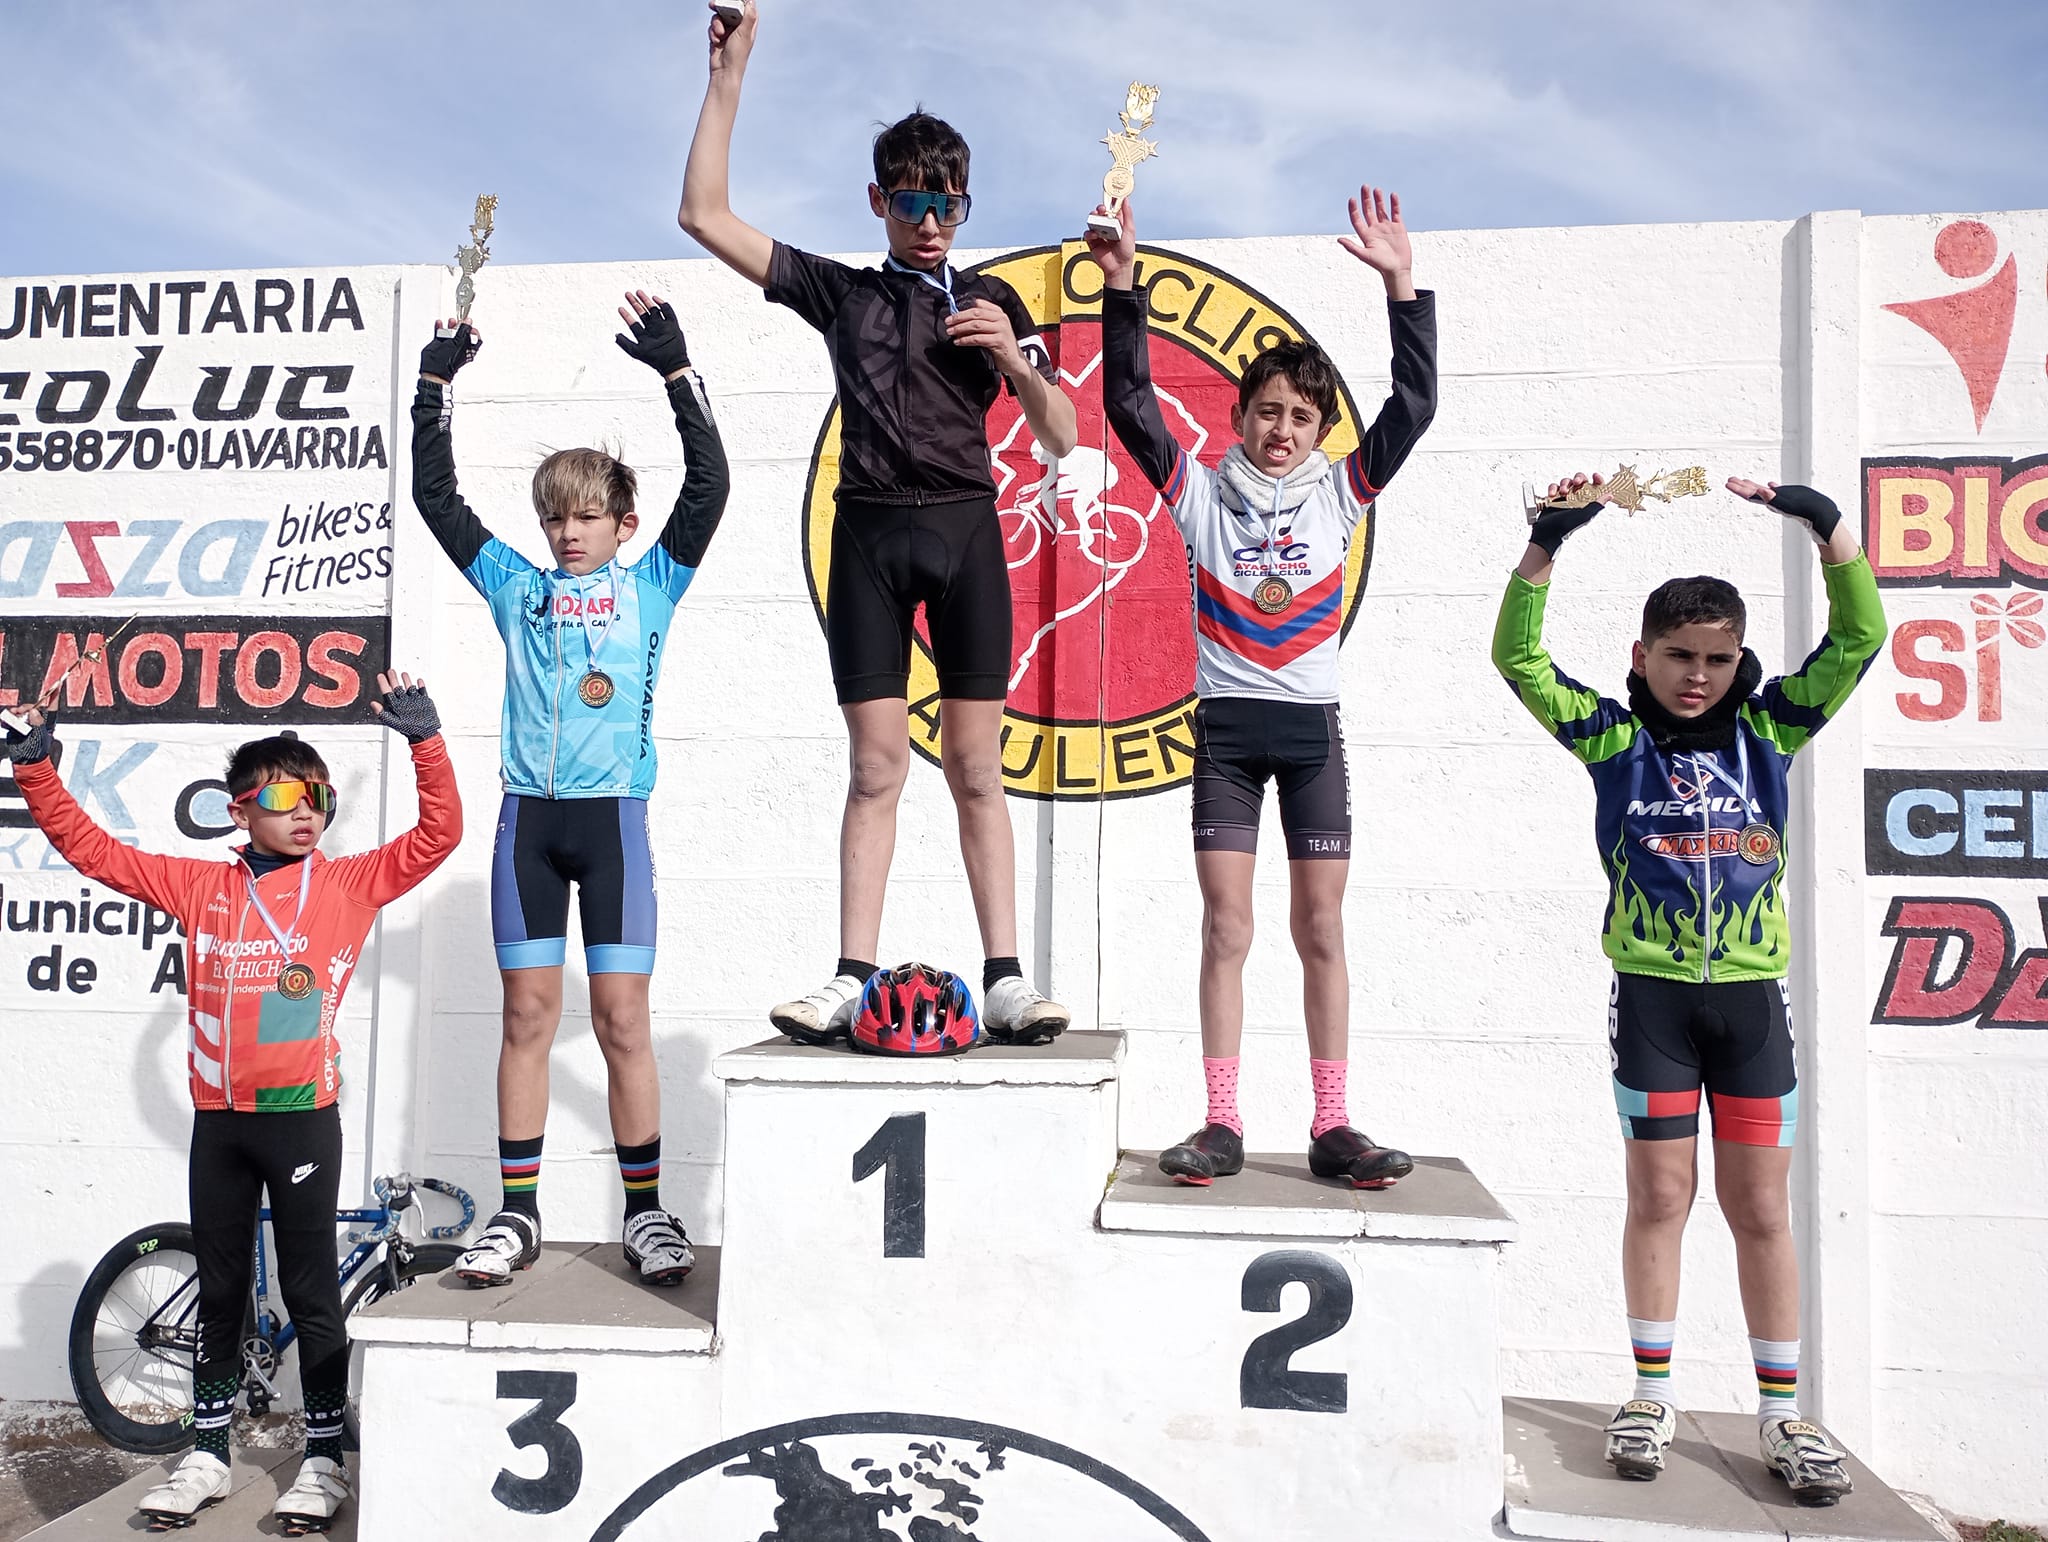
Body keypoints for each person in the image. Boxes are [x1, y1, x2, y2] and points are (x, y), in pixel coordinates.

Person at [677, 0, 1081, 1044]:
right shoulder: (844, 295)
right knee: (875, 769)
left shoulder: (993, 303)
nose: (930, 221)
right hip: (865, 537)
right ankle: (850, 978)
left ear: (964, 204)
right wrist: (727, 78)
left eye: (948, 202)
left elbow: (1064, 434)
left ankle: (1006, 979)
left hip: (965, 532)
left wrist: (1010, 357)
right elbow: (705, 216)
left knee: (978, 768)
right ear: (878, 202)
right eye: (910, 202)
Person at [1491, 472, 1886, 1504]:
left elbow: (1858, 640)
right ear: (1641, 656)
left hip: (1750, 1006)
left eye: (1717, 659)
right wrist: (1545, 547)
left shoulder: (1772, 731)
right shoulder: (1613, 742)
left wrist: (1828, 530)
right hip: (1653, 1005)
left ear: (1739, 660)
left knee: (1760, 1207)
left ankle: (1781, 1415)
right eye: (1678, 656)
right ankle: (1649, 1396)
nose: (1698, 676)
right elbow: (1517, 660)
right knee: (1660, 1197)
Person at [4, 674, 459, 1533]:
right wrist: (35, 765)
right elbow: (93, 852)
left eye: (319, 797)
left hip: (301, 1120)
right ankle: (209, 1453)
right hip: (219, 1124)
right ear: (238, 811)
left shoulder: (346, 885)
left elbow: (440, 834)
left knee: (311, 1292)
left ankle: (322, 1460)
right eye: (285, 797)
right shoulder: (202, 889)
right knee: (219, 1293)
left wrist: (424, 743)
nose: (307, 812)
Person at [1083, 191, 1436, 1188]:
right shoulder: (1198, 489)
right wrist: (1122, 287)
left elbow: (1413, 408)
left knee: (1320, 927)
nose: (1283, 430)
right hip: (1227, 738)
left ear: (1322, 430)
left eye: (1301, 417)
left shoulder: (1342, 491)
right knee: (1226, 927)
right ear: (1237, 417)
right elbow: (1128, 404)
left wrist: (1401, 288)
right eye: (1268, 412)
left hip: (1311, 733)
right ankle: (1222, 1121)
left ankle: (1333, 1124)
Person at [410, 293, 729, 1287]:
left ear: (623, 522)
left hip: (612, 826)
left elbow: (711, 484)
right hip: (528, 826)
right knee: (527, 1018)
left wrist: (676, 370)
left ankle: (646, 1214)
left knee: (622, 1020)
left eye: (586, 515)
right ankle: (516, 1215)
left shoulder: (654, 582)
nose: (566, 532)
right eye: (553, 516)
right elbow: (436, 498)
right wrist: (433, 385)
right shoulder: (517, 585)